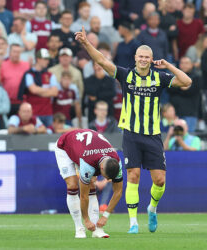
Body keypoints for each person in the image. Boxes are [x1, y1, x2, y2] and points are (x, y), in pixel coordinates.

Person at [75, 26, 192, 234]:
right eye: (141, 56)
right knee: (133, 176)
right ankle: (133, 223)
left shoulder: (159, 77)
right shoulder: (125, 75)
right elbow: (102, 60)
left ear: (151, 58)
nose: (144, 59)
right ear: (135, 58)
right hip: (131, 133)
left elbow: (187, 81)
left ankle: (152, 208)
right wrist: (85, 43)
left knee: (160, 180)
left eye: (147, 57)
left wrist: (168, 65)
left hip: (153, 135)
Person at [54, 129, 123, 238]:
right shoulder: (88, 164)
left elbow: (118, 191)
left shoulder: (117, 161)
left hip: (85, 148)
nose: (107, 180)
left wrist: (105, 216)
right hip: (65, 146)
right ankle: (79, 228)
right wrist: (86, 220)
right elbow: (84, 196)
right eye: (106, 177)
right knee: (72, 185)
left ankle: (97, 229)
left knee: (92, 184)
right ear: (101, 168)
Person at [18, 48, 59, 127]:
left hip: (48, 113)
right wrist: (48, 91)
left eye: (48, 59)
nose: (47, 61)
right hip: (34, 113)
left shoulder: (50, 74)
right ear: (38, 59)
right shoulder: (29, 74)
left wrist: (39, 91)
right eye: (45, 59)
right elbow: (33, 90)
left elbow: (55, 92)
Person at [0, 43, 30, 116]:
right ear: (9, 53)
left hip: (22, 102)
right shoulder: (3, 65)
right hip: (7, 101)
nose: (16, 54)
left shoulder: (26, 65)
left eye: (18, 52)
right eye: (14, 52)